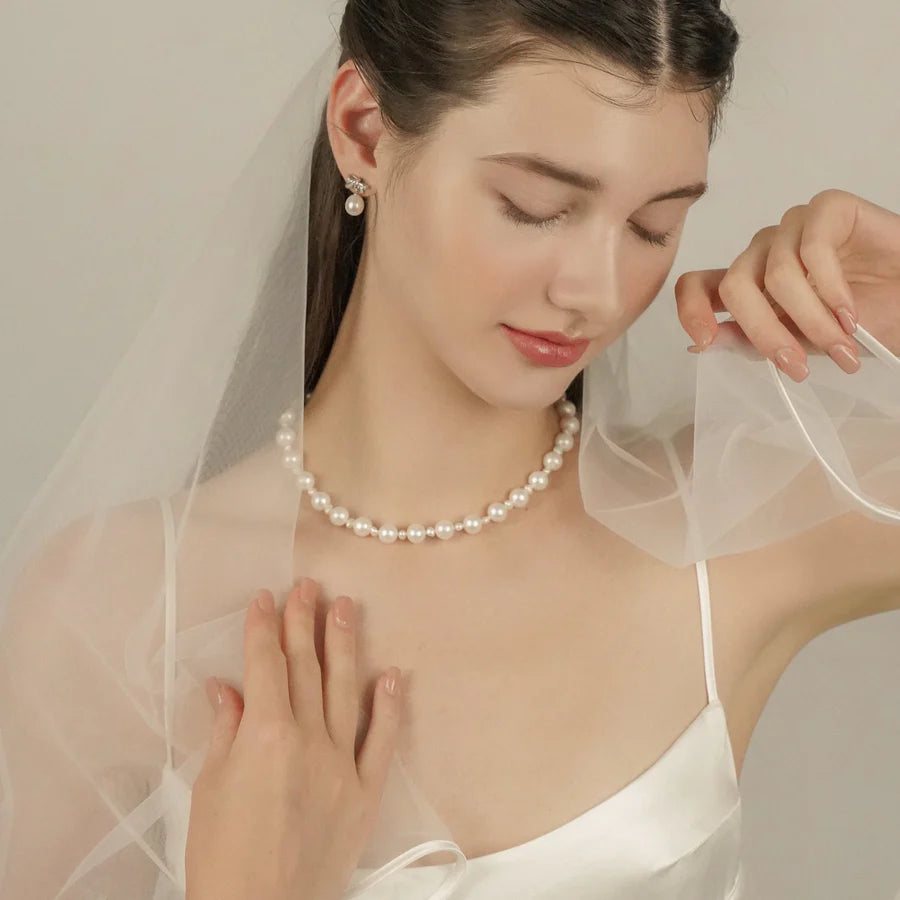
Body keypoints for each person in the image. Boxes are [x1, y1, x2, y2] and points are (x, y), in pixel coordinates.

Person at [0, 1, 898, 899]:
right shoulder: (115, 609)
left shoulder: (737, 525)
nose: (595, 290)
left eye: (652, 227)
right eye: (535, 208)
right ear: (363, 130)